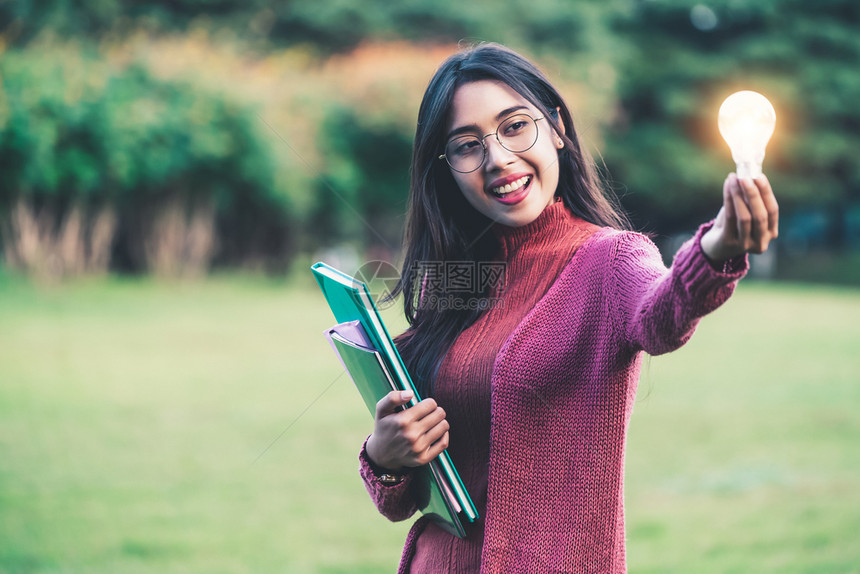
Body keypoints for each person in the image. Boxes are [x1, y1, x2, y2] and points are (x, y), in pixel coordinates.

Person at [357, 43, 778, 573]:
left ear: (556, 127)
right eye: (467, 145)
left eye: (514, 126)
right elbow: (401, 502)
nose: (498, 159)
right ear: (446, 169)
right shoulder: (455, 283)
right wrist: (383, 456)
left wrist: (717, 248)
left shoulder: (609, 259)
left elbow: (663, 314)